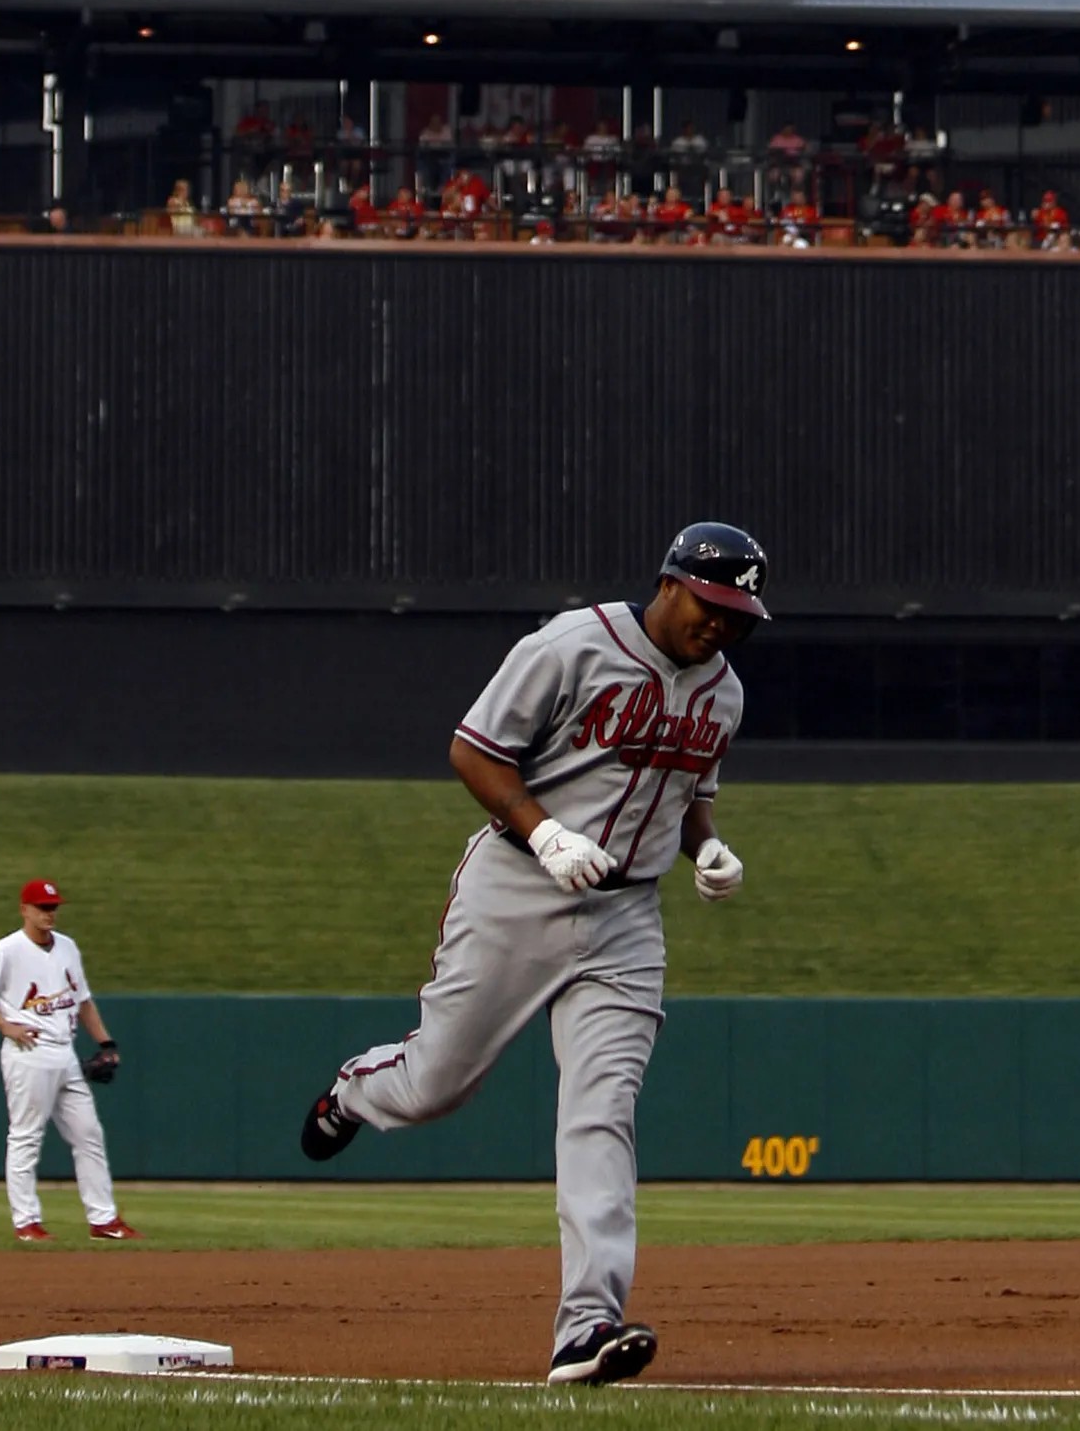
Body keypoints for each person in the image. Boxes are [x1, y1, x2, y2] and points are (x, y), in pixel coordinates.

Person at [297, 522, 768, 1389]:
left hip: (627, 919)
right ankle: (358, 1088)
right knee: (439, 1083)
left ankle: (587, 1324)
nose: (722, 627)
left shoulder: (725, 693)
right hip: (517, 888)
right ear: (669, 583)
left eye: (739, 614)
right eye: (712, 605)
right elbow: (473, 750)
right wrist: (546, 832)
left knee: (601, 1112)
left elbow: (690, 790)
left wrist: (706, 847)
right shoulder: (571, 643)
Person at [0, 880, 137, 1242]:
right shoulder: (7, 950)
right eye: (41, 907)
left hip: (65, 1051)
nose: (48, 913)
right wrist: (4, 1024)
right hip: (29, 1053)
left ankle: (103, 1220)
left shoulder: (67, 947)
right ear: (24, 910)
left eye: (52, 907)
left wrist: (105, 1041)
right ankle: (26, 1222)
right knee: (26, 1136)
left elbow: (82, 1000)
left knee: (89, 1135)